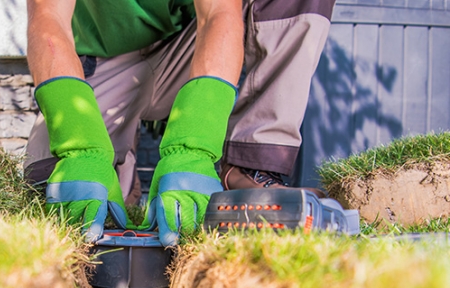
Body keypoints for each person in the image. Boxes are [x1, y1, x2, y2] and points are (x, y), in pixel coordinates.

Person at [24, 0, 336, 246]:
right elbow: (47, 17)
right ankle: (121, 171)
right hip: (101, 61)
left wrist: (194, 148)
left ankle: (247, 165)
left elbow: (219, 13)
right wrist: (80, 148)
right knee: (49, 187)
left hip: (190, 49)